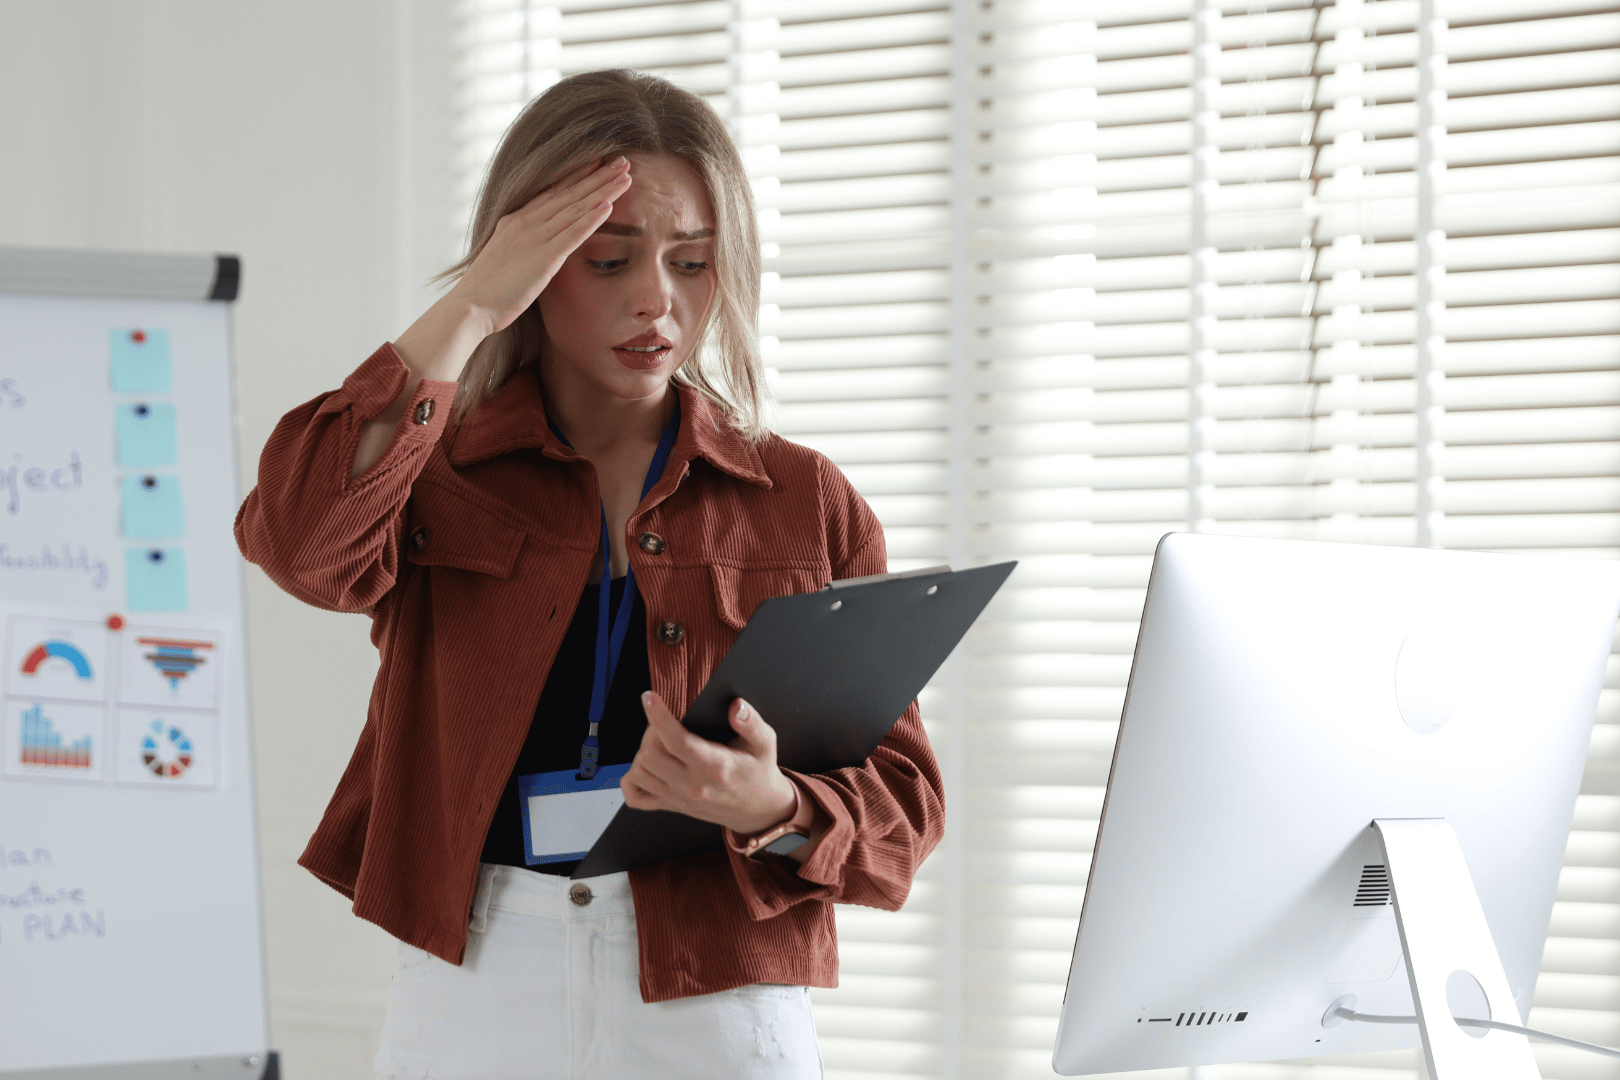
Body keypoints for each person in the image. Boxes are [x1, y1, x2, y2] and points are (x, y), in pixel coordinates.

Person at [236, 69, 944, 1078]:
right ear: (533, 262)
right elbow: (301, 543)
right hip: (475, 976)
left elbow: (904, 812)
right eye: (607, 259)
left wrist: (772, 804)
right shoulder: (435, 473)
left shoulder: (801, 498)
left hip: (718, 989)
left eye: (694, 263)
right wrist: (474, 300)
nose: (657, 300)